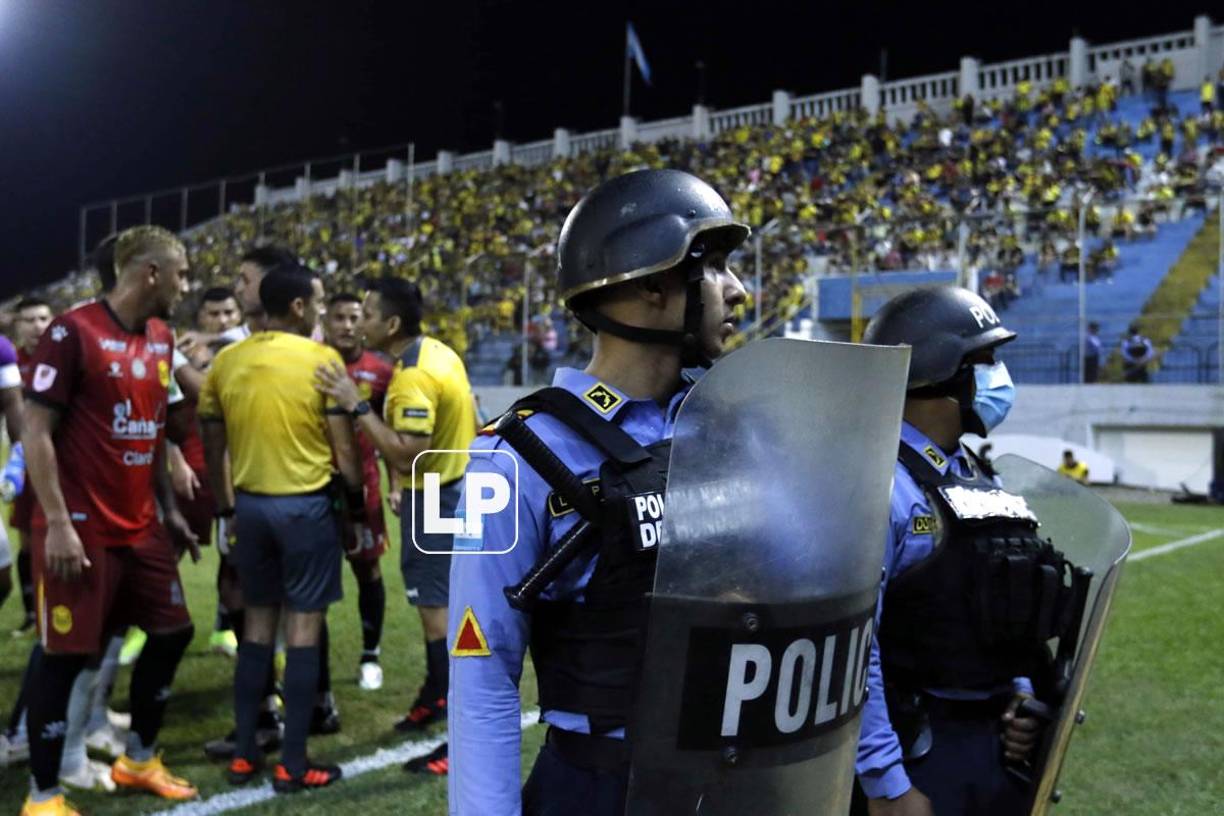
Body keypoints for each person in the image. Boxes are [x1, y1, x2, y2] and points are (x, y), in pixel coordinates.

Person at [442, 169, 748, 814]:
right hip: (603, 786)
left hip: (736, 780)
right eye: (716, 266)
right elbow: (483, 672)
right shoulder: (513, 457)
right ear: (654, 284)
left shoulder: (734, 429)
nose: (738, 290)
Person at [855, 286, 1075, 816]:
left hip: (992, 746)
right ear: (941, 370)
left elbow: (1002, 604)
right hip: (918, 750)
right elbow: (853, 649)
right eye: (987, 360)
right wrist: (886, 782)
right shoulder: (878, 484)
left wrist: (1020, 694)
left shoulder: (980, 474)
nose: (1000, 377)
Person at [20, 226, 202, 816]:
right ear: (150, 272)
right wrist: (58, 522)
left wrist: (170, 510)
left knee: (174, 632)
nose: (186, 285)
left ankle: (138, 758)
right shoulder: (73, 330)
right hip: (81, 526)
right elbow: (35, 431)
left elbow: (157, 432)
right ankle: (43, 797)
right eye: (182, 274)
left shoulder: (162, 339)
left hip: (141, 524)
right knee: (67, 654)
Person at [199, 261, 363, 793]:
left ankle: (246, 754)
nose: (319, 311)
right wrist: (355, 504)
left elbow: (212, 442)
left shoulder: (228, 361)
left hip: (250, 508)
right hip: (305, 510)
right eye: (315, 303)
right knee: (304, 629)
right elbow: (345, 454)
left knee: (256, 629)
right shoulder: (322, 360)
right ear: (297, 307)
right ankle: (294, 763)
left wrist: (226, 506)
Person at [314, 277, 476, 774]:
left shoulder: (411, 376)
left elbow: (408, 449)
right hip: (458, 485)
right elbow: (471, 409)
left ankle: (459, 742)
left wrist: (355, 403)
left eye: (365, 313)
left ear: (390, 324)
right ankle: (435, 697)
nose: (357, 322)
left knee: (441, 617)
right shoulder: (438, 353)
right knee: (447, 608)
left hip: (439, 499)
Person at [322, 293, 395, 691]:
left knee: (368, 569)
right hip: (316, 487)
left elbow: (393, 431)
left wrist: (397, 484)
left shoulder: (380, 371)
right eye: (339, 318)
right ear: (326, 321)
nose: (348, 325)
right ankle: (310, 666)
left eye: (354, 317)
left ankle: (371, 655)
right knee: (315, 577)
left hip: (364, 488)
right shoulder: (310, 363)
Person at [6, 298, 53, 634]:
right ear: (17, 326)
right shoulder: (10, 362)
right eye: (29, 320)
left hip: (61, 463)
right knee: (26, 540)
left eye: (43, 318)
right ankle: (32, 613)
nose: (37, 326)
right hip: (24, 465)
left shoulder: (64, 355)